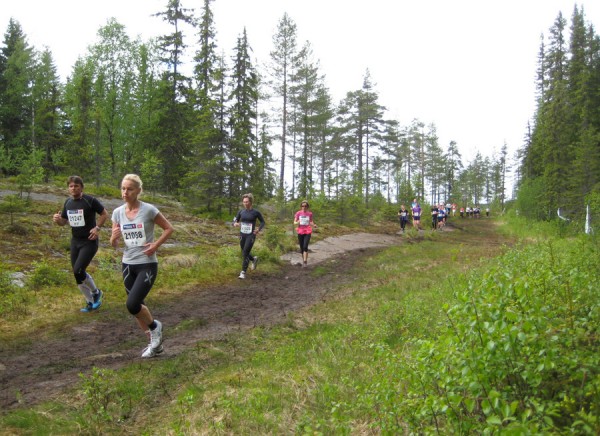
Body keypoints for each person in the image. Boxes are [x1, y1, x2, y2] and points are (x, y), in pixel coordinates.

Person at [110, 174, 174, 358]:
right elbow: (114, 244)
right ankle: (155, 345)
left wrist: (155, 245)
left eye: (129, 189)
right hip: (128, 264)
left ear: (138, 191)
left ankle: (156, 327)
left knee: (132, 304)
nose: (125, 192)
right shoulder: (117, 213)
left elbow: (169, 228)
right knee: (139, 307)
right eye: (123, 188)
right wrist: (113, 238)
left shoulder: (149, 210)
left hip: (147, 264)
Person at [52, 176, 107, 312]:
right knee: (76, 273)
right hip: (75, 241)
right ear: (68, 188)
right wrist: (57, 220)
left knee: (78, 270)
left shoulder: (90, 200)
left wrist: (97, 228)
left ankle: (96, 293)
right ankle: (90, 302)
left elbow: (104, 214)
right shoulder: (68, 202)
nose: (73, 188)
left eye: (76, 186)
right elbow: (63, 222)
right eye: (71, 186)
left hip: (89, 241)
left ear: (81, 187)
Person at [233, 193, 265, 279]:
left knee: (245, 252)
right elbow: (235, 220)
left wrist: (258, 229)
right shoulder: (241, 211)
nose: (245, 203)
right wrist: (235, 223)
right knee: (244, 251)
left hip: (251, 235)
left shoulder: (256, 212)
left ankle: (243, 272)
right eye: (244, 202)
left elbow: (263, 222)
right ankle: (253, 259)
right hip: (242, 234)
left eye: (247, 202)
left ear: (251, 202)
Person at [294, 200, 317, 267]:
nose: (304, 207)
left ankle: (305, 262)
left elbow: (311, 221)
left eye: (305, 206)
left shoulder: (310, 214)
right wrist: (297, 223)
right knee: (301, 248)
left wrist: (314, 225)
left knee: (305, 246)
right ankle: (303, 259)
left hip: (308, 231)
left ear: (307, 207)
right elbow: (294, 222)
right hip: (300, 231)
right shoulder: (298, 213)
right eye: (302, 206)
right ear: (301, 206)